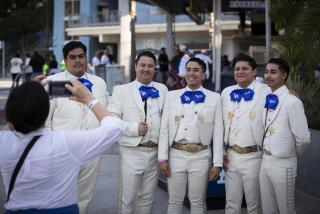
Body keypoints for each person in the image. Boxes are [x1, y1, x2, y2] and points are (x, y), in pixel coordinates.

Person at [0, 79, 124, 213]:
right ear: (45, 111)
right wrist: (89, 99)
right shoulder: (65, 143)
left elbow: (11, 125)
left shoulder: (4, 142)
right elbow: (115, 128)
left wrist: (25, 97)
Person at [45, 41, 109, 214]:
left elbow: (105, 111)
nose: (78, 60)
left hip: (91, 151)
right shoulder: (52, 82)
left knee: (84, 197)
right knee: (59, 197)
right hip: (62, 152)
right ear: (65, 60)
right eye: (72, 57)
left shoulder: (99, 83)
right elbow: (45, 121)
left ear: (86, 58)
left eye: (81, 56)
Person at [158, 57, 223, 214]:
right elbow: (164, 129)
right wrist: (162, 158)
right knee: (174, 200)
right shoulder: (172, 96)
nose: (191, 73)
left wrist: (217, 163)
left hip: (201, 155)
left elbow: (218, 132)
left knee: (197, 201)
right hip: (175, 155)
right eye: (188, 69)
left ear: (203, 75)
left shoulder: (215, 98)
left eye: (196, 70)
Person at [108, 51, 168, 214]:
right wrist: (134, 128)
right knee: (127, 200)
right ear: (135, 67)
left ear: (155, 69)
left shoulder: (163, 89)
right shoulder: (121, 90)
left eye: (150, 66)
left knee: (148, 199)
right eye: (142, 65)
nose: (146, 69)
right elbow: (111, 119)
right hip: (131, 152)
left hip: (155, 152)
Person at [260, 58, 310, 214]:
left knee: (286, 209)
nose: (268, 75)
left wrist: (289, 154)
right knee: (268, 209)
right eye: (266, 72)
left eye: (273, 72)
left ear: (284, 75)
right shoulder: (266, 95)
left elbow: (303, 139)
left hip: (283, 163)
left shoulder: (292, 101)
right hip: (265, 161)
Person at [221, 54, 269, 214]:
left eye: (245, 68)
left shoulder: (266, 91)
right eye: (237, 69)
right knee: (231, 203)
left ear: (254, 71)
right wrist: (221, 151)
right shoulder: (226, 92)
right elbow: (220, 125)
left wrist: (291, 94)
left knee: (254, 204)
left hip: (255, 157)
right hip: (231, 156)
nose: (240, 72)